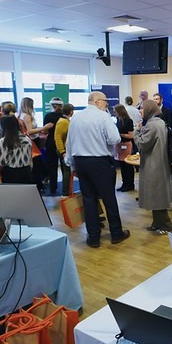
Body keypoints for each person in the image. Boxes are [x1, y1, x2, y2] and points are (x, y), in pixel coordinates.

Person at [66, 91, 129, 248]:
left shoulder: (76, 118)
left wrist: (72, 165)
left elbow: (69, 143)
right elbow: (115, 138)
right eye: (105, 101)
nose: (107, 104)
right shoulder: (103, 116)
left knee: (88, 199)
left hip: (80, 161)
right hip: (100, 161)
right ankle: (116, 233)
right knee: (109, 198)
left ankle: (93, 237)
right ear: (98, 102)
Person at [135, 100, 172, 233]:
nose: (140, 111)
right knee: (157, 195)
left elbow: (142, 144)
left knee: (156, 196)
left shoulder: (151, 125)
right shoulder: (160, 122)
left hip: (153, 165)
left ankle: (166, 225)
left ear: (149, 109)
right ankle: (157, 223)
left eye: (142, 108)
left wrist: (136, 132)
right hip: (159, 162)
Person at [0, 115, 32, 184]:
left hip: (10, 173)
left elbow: (2, 162)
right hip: (26, 171)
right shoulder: (27, 139)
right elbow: (30, 158)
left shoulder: (3, 141)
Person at [43, 97, 64, 195]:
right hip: (63, 143)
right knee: (65, 167)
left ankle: (53, 188)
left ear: (52, 106)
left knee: (52, 166)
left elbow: (45, 131)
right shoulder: (64, 116)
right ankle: (66, 188)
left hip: (51, 142)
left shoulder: (48, 116)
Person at [112, 104, 134, 192]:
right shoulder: (118, 120)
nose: (115, 114)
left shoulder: (128, 121)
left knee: (127, 165)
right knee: (122, 166)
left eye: (115, 112)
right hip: (119, 145)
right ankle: (124, 184)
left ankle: (130, 184)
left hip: (126, 144)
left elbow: (130, 135)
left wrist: (120, 134)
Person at [53, 104, 74, 196]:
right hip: (64, 151)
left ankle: (67, 192)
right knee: (67, 172)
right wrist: (63, 152)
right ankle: (65, 193)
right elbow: (58, 138)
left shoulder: (65, 121)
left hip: (65, 150)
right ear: (71, 112)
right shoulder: (63, 122)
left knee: (67, 171)